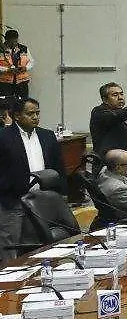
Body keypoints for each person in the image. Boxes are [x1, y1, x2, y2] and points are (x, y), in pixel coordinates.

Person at [0, 98, 65, 250]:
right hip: (13, 200)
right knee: (11, 244)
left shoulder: (47, 136)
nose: (35, 117)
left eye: (37, 113)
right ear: (17, 116)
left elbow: (58, 166)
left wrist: (63, 193)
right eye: (30, 114)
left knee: (39, 243)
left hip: (42, 198)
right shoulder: (3, 137)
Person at [0, 29, 33, 110]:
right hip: (5, 83)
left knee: (23, 104)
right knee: (6, 105)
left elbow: (31, 61)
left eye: (15, 41)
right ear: (6, 40)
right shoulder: (1, 49)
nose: (14, 43)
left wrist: (25, 68)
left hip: (21, 82)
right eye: (11, 41)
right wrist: (7, 70)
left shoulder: (23, 48)